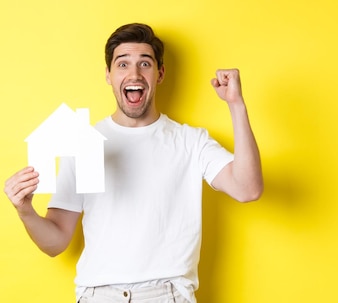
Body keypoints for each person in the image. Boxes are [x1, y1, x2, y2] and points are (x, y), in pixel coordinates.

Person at [3, 23, 263, 303]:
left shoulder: (190, 141)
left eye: (145, 64)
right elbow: (55, 244)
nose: (134, 73)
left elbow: (247, 189)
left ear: (160, 73)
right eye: (123, 64)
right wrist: (25, 210)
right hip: (98, 295)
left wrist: (236, 104)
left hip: (167, 295)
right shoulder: (83, 142)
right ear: (109, 75)